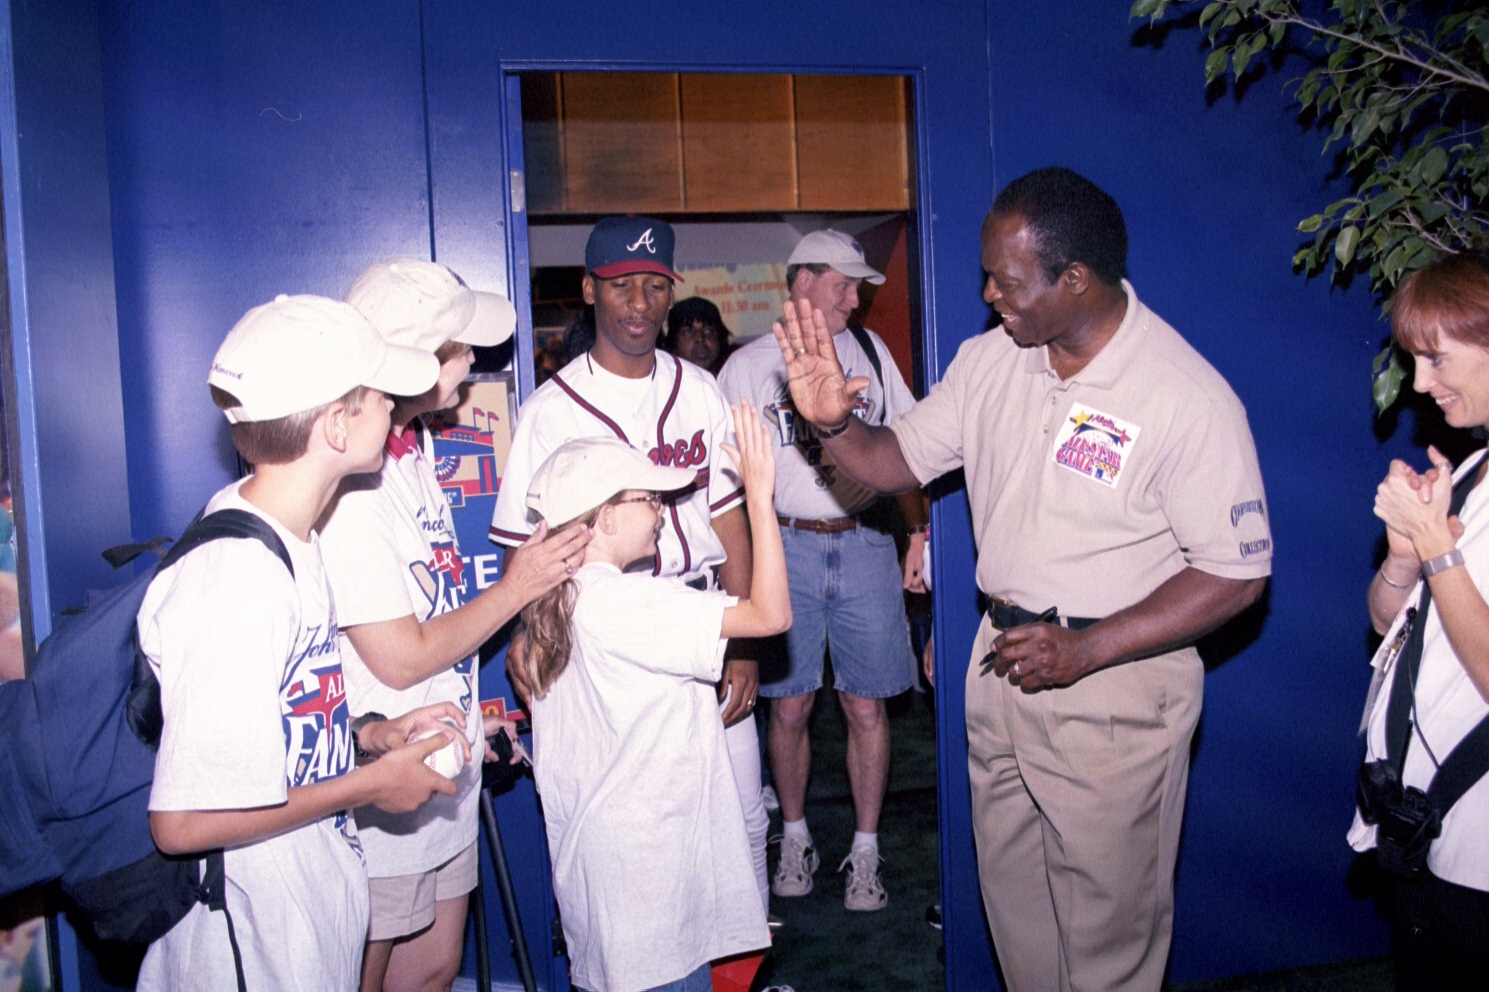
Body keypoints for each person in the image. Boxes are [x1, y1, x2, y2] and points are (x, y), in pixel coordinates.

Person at [769, 167, 1271, 991]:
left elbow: (1237, 574)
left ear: (1074, 280)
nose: (989, 294)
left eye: (1006, 281)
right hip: (1000, 665)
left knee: (1107, 943)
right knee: (1018, 922)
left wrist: (1089, 648)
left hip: (1115, 686)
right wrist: (831, 423)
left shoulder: (1184, 396)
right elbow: (893, 461)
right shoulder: (992, 360)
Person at [138, 294, 468, 992]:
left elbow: (280, 725)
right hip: (248, 949)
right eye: (379, 396)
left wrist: (369, 735)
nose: (395, 409)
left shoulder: (292, 538)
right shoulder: (235, 576)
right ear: (336, 426)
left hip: (304, 924)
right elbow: (183, 821)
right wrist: (371, 786)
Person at [319, 260, 591, 992]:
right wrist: (521, 586)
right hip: (387, 764)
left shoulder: (415, 449)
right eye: (456, 347)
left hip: (442, 750)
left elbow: (434, 606)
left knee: (436, 965)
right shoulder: (354, 490)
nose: (472, 362)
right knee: (368, 973)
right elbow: (398, 659)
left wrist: (475, 720)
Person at [490, 215, 772, 915]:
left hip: (700, 610)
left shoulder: (698, 389)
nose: (640, 303)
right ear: (589, 290)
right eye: (621, 286)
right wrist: (531, 632)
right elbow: (520, 550)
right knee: (632, 833)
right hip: (601, 634)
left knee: (739, 819)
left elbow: (727, 517)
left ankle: (736, 973)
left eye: (654, 286)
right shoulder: (551, 410)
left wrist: (740, 644)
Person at [518, 408, 785, 992]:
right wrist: (760, 500)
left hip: (608, 879)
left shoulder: (558, 599)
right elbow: (771, 615)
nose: (662, 512)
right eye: (648, 499)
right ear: (606, 518)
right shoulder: (628, 603)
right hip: (652, 889)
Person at [717, 229, 925, 911]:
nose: (853, 296)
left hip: (864, 539)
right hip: (786, 547)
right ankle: (796, 836)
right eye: (841, 282)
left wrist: (919, 531)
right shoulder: (747, 366)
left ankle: (864, 851)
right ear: (801, 282)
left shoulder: (870, 353)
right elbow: (722, 484)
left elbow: (909, 447)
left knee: (865, 705)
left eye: (858, 285)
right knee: (790, 705)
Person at [1352, 251, 1489, 992]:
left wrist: (1436, 548)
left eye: (1436, 358)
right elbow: (1386, 627)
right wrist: (1404, 557)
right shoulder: (1468, 473)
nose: (1418, 384)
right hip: (1426, 830)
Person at [663, 296, 733, 375]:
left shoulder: (735, 379)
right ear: (673, 343)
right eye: (687, 332)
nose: (700, 338)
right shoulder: (663, 384)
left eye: (708, 330)